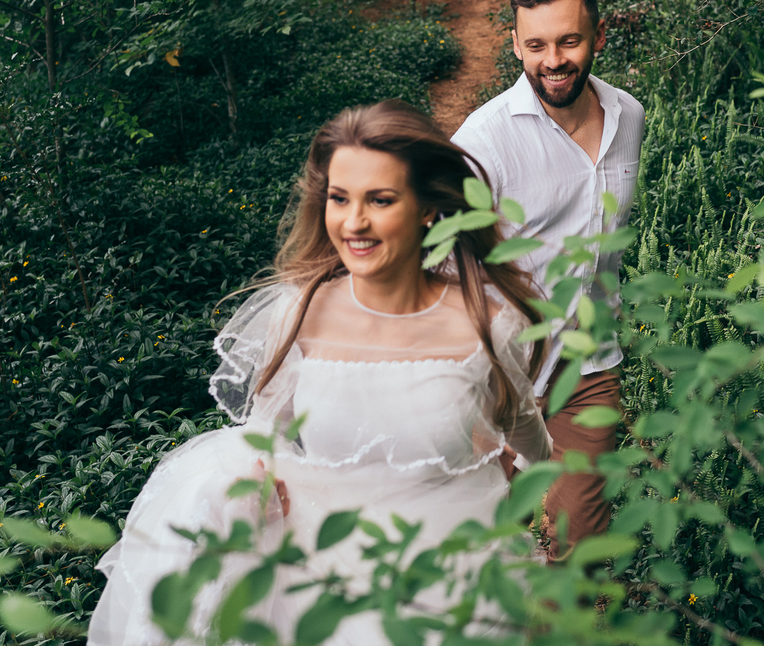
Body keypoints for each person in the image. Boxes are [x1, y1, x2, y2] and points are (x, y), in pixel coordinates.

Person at [88, 100, 552, 646]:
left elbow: (525, 430)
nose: (354, 222)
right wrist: (251, 487)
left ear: (428, 207)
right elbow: (265, 436)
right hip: (322, 574)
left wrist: (521, 483)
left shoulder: (485, 323)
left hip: (453, 577)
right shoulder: (299, 311)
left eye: (380, 199)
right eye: (339, 198)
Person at [451, 0, 645, 561]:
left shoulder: (628, 117)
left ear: (599, 36)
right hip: (499, 373)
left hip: (588, 362)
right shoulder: (482, 141)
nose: (553, 60)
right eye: (535, 45)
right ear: (515, 44)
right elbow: (442, 264)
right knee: (481, 537)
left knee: (582, 542)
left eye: (569, 41)